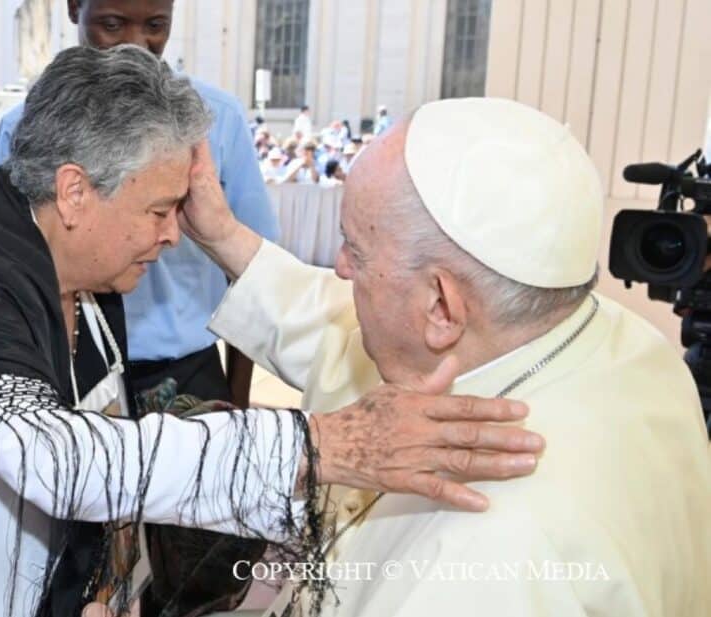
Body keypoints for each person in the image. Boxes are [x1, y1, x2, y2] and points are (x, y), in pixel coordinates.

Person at [0, 47, 543, 617]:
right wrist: (320, 447)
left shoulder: (83, 273)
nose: (175, 235)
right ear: (76, 191)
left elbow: (114, 451)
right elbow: (59, 460)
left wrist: (113, 585)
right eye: (160, 208)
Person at [197, 98, 711, 616]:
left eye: (355, 248)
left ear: (441, 307)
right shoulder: (620, 343)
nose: (341, 268)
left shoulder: (487, 550)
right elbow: (339, 327)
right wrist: (221, 233)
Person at [0, 0, 275, 412]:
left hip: (184, 373)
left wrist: (239, 397)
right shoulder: (24, 126)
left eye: (156, 26)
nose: (137, 45)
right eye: (112, 24)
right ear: (74, 9)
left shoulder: (218, 122)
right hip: (65, 372)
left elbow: (251, 278)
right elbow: (8, 262)